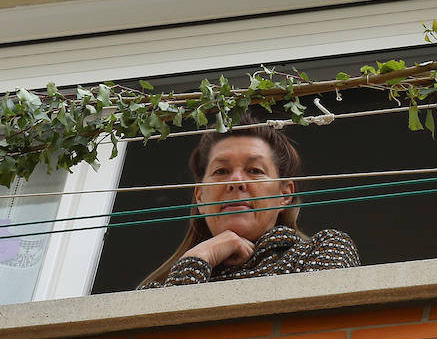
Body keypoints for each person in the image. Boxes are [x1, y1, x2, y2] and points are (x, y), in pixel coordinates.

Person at [140, 122, 359, 287]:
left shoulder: (324, 248)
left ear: (285, 194)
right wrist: (198, 258)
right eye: (221, 171)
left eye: (254, 170)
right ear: (200, 198)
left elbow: (317, 322)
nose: (236, 182)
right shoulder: (157, 288)